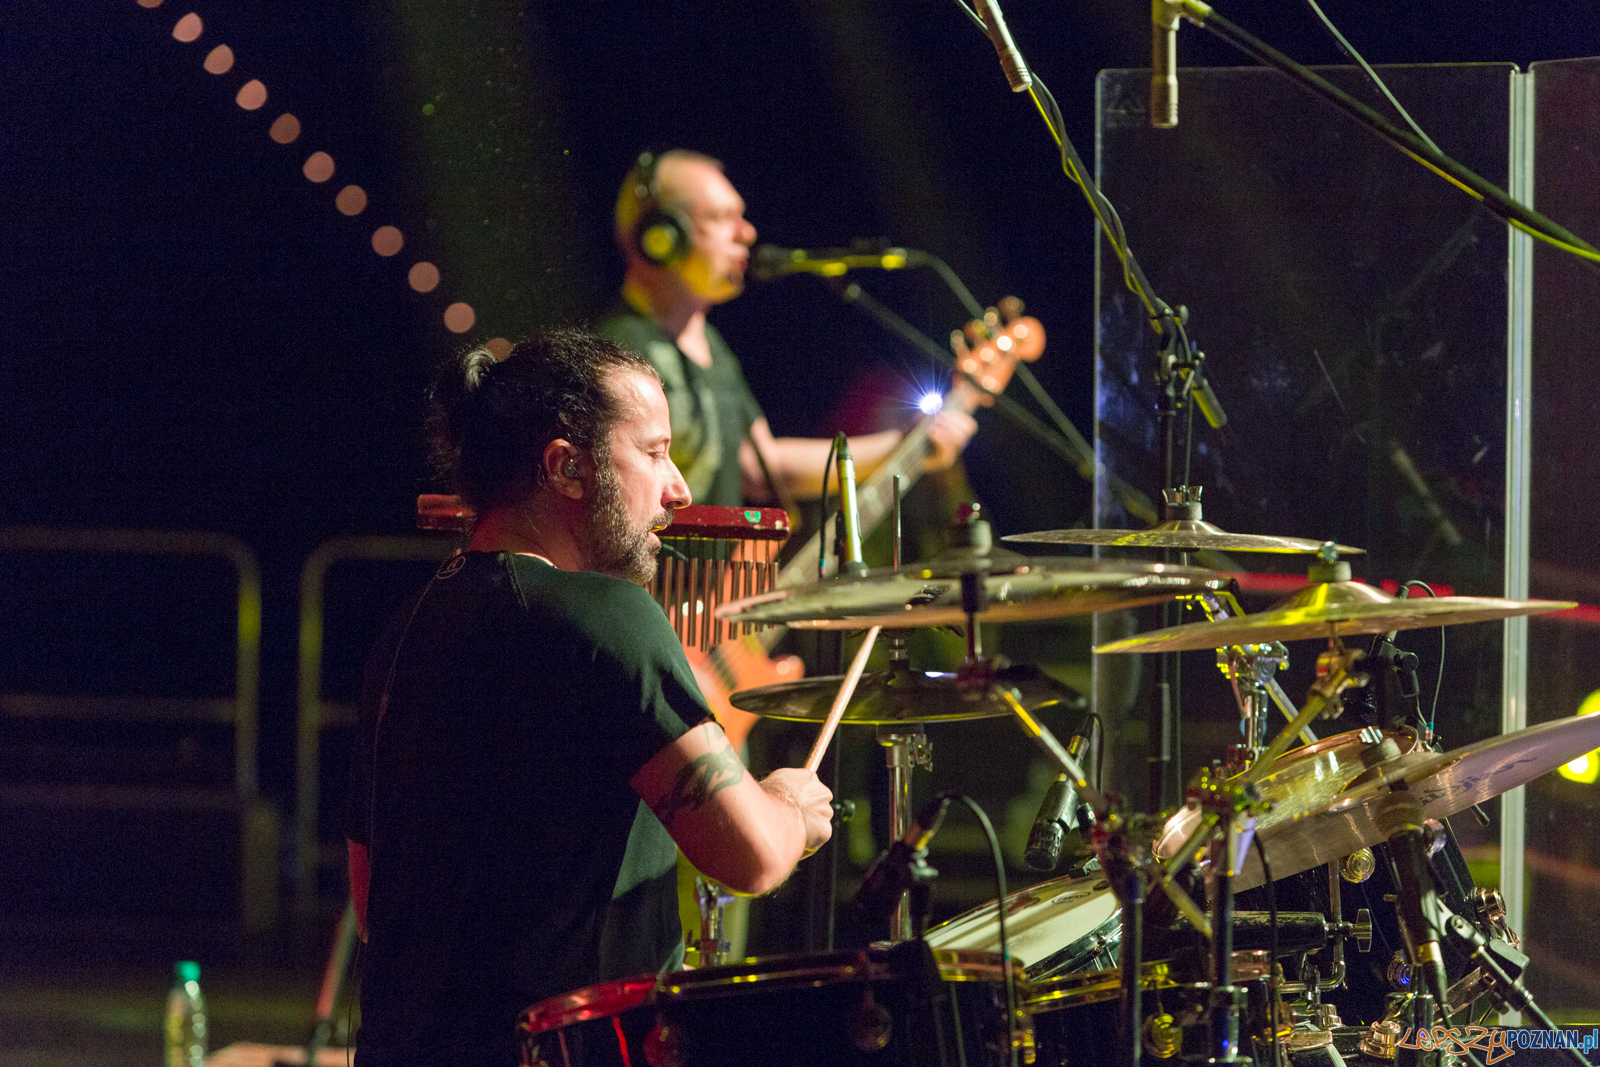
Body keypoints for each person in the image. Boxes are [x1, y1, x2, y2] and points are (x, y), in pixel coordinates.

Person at [345, 329, 835, 1067]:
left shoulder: (406, 628)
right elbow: (754, 856)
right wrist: (791, 805)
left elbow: (371, 904)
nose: (679, 490)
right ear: (566, 467)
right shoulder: (609, 617)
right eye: (654, 452)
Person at [597, 148, 978, 509]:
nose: (747, 233)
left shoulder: (710, 345)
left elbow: (761, 466)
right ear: (660, 236)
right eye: (721, 217)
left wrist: (906, 445)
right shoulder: (618, 352)